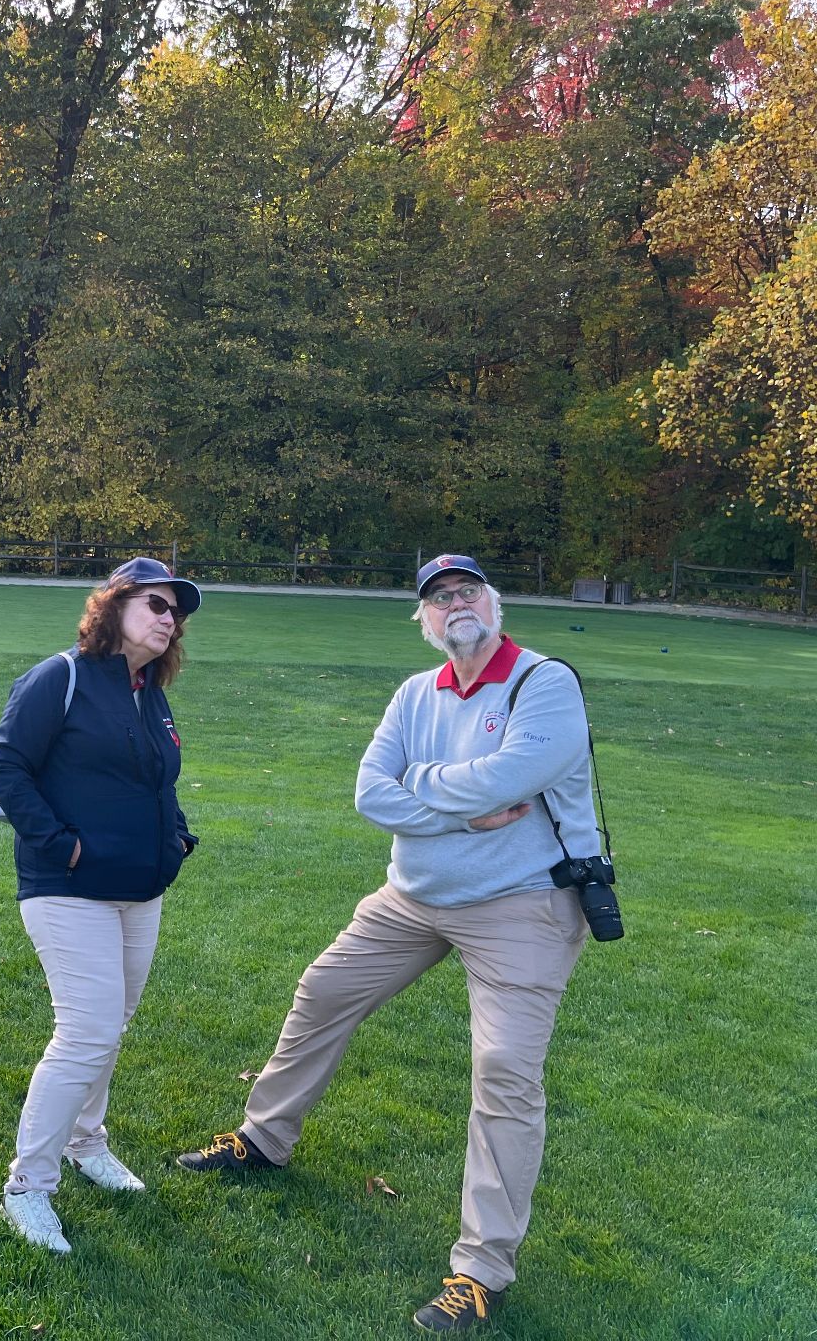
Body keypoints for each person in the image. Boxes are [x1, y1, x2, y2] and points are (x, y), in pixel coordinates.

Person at [174, 553, 597, 1332]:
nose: (455, 603)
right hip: (413, 897)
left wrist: (423, 788)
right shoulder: (413, 693)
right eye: (439, 599)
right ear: (425, 621)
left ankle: (481, 1272)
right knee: (322, 991)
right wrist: (458, 808)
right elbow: (370, 791)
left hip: (521, 903)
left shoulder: (545, 682)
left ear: (493, 604)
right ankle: (264, 1140)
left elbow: (517, 774)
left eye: (468, 590)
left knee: (505, 1071)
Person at [0, 557, 202, 1255]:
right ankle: (28, 1187)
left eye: (177, 611)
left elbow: (158, 779)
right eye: (157, 604)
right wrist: (60, 845)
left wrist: (175, 838)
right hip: (66, 889)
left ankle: (87, 1143)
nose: (170, 619)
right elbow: (5, 766)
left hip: (140, 891)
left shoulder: (149, 693)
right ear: (113, 607)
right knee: (86, 1030)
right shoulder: (62, 677)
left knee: (113, 1025)